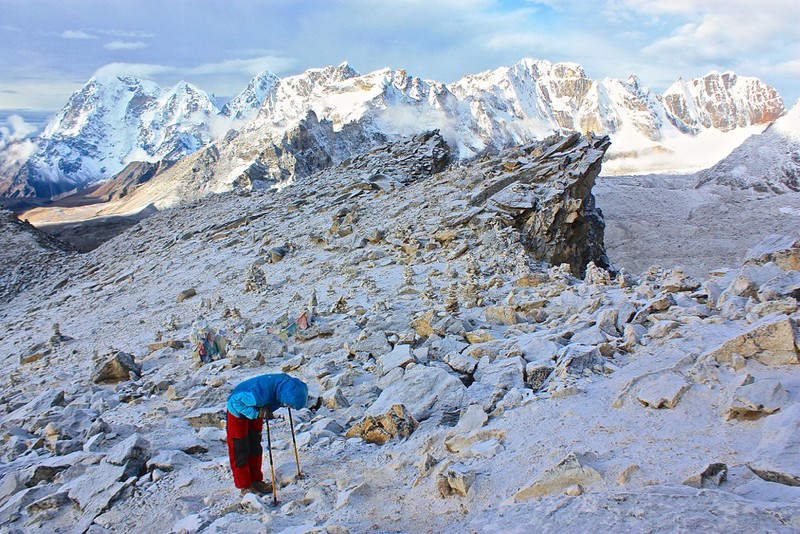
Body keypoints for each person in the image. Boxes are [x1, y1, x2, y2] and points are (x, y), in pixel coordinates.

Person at [226, 373, 309, 495]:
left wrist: (260, 412)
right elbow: (234, 402)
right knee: (240, 447)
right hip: (238, 411)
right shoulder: (260, 395)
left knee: (255, 445)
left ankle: (256, 480)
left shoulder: (287, 387)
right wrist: (256, 414)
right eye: (289, 404)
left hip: (259, 409)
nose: (288, 406)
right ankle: (245, 485)